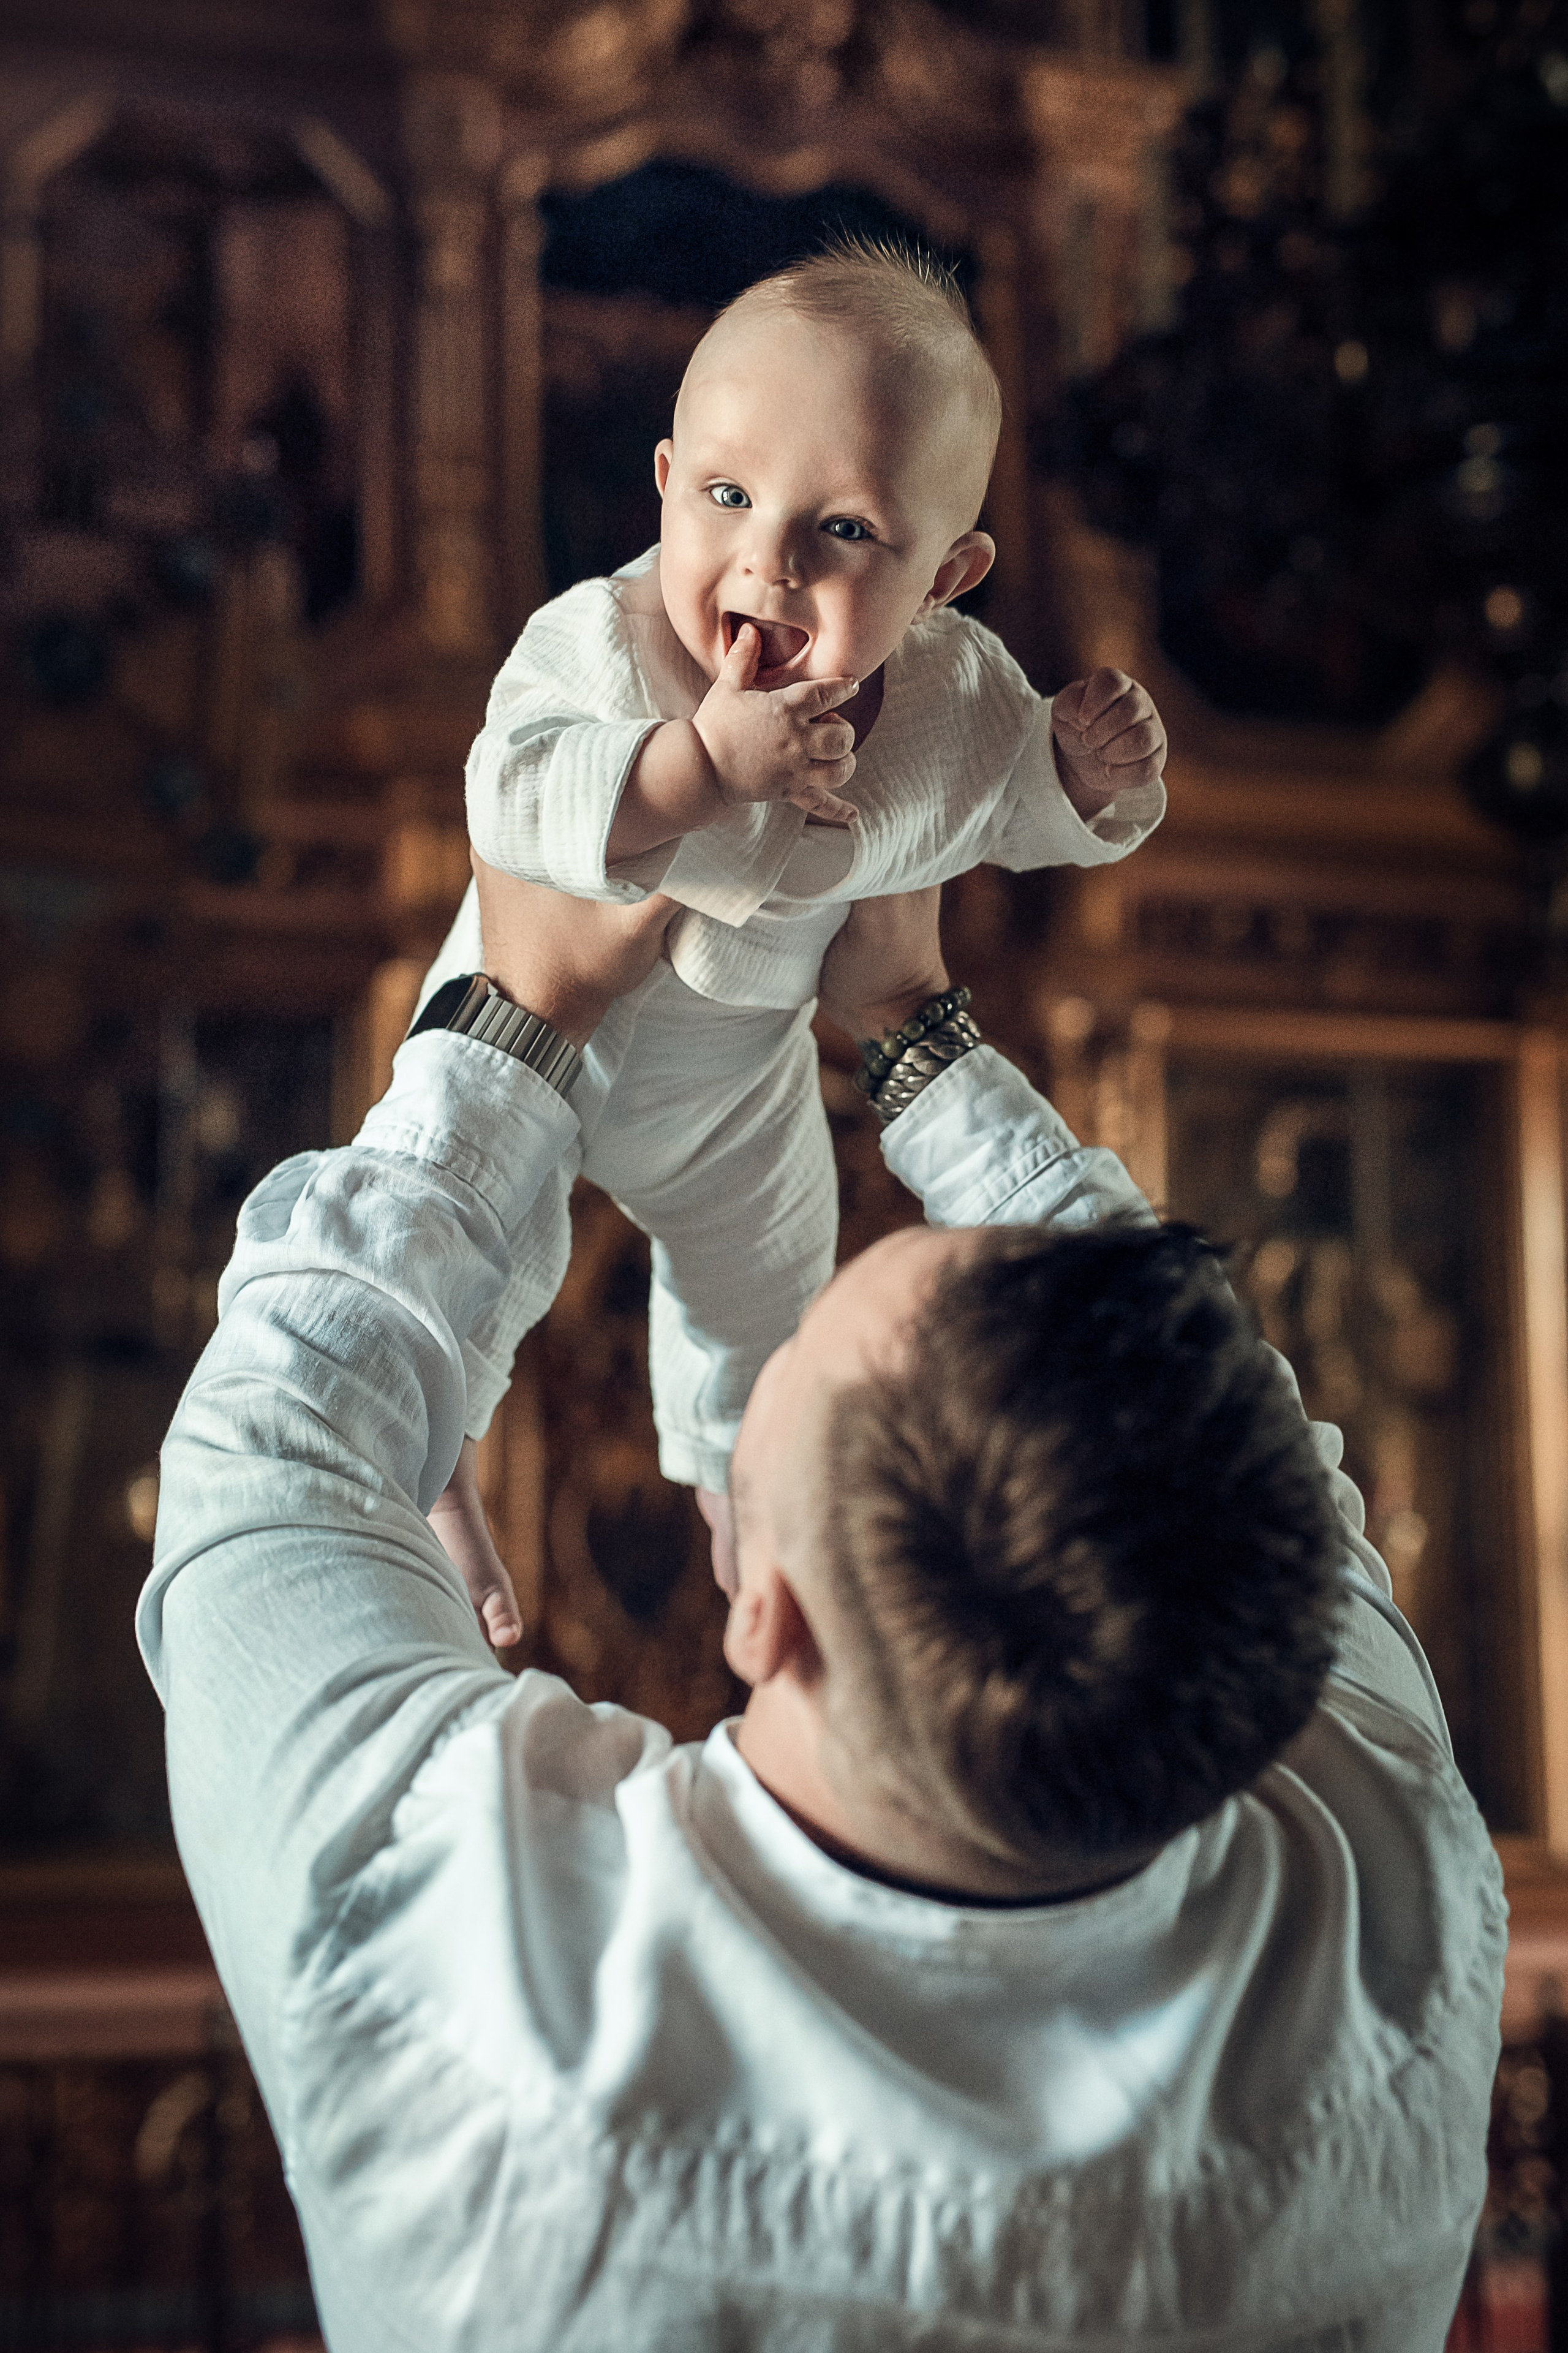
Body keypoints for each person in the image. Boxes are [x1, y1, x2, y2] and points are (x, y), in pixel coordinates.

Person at [140, 864, 1505, 2352]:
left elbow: (264, 1458)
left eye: (761, 1400)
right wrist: (913, 1027)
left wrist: (521, 1015)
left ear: (763, 1614)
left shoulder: (444, 1966)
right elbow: (1257, 1454)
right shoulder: (1391, 1902)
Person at [418, 236, 1169, 1641]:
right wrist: (691, 769)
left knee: (767, 1277)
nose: (763, 557)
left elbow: (1007, 802)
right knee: (471, 1227)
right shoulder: (602, 643)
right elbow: (504, 792)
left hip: (735, 1068)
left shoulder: (951, 694)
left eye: (844, 531)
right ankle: (435, 1462)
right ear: (663, 485)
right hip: (533, 1030)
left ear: (947, 575)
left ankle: (729, 1486)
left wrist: (1085, 780)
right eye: (726, 495)